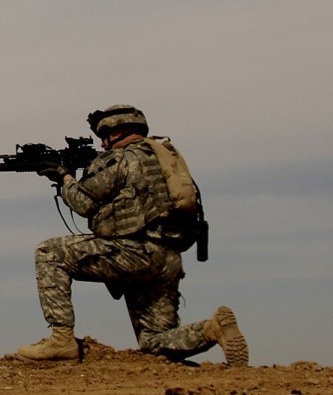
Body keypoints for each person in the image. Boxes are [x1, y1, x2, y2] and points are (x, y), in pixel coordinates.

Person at [15, 104, 249, 366]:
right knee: (154, 340)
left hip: (133, 252)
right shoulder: (164, 158)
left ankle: (61, 341)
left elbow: (83, 203)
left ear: (121, 131)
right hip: (166, 258)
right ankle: (212, 329)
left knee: (50, 252)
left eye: (106, 136)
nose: (103, 144)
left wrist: (65, 178)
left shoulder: (122, 159)